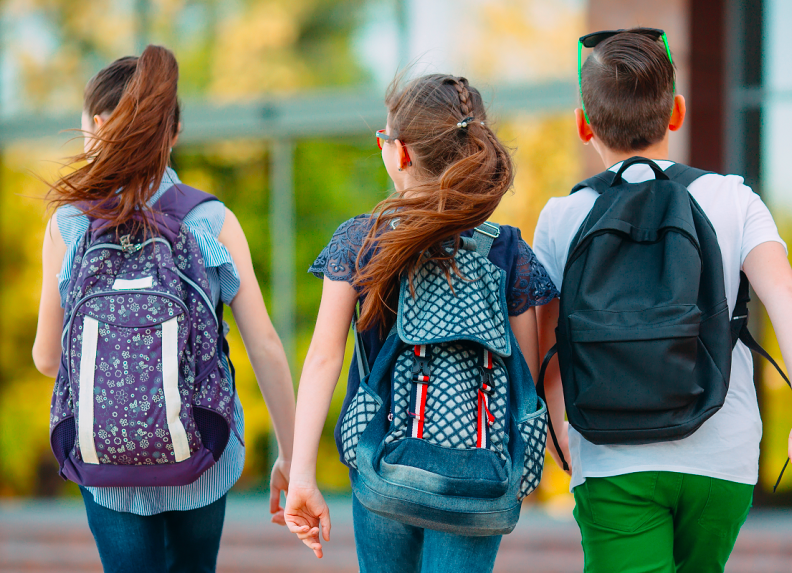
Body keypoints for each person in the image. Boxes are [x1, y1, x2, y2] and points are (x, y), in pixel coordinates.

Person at [532, 28, 792, 573]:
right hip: (720, 458)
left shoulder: (561, 217)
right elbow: (788, 300)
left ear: (584, 124)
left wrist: (567, 451)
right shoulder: (734, 196)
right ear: (675, 113)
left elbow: (547, 350)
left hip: (613, 460)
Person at [278, 73, 558, 572]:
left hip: (382, 461)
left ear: (400, 152)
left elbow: (323, 358)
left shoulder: (362, 241)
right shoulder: (509, 252)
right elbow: (526, 381)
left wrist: (301, 477)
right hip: (479, 478)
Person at [32, 46, 296, 573]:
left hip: (104, 463)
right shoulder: (211, 219)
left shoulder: (69, 225)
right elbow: (263, 343)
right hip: (203, 453)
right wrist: (292, 457)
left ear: (97, 124)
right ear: (173, 134)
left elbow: (45, 359)